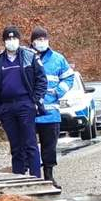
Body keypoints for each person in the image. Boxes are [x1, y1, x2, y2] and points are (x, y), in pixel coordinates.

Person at [0, 25, 47, 178]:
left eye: (14, 38)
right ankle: (18, 178)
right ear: (4, 41)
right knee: (15, 147)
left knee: (30, 144)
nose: (11, 41)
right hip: (6, 107)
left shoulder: (29, 56)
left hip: (25, 104)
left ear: (19, 40)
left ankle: (36, 179)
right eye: (8, 38)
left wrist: (34, 101)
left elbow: (41, 80)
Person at [30, 27, 75, 185]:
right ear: (32, 42)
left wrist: (58, 92)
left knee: (49, 147)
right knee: (30, 147)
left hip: (51, 113)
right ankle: (33, 176)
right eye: (38, 39)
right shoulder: (26, 57)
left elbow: (69, 78)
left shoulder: (58, 58)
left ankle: (49, 175)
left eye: (44, 39)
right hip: (30, 112)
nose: (41, 42)